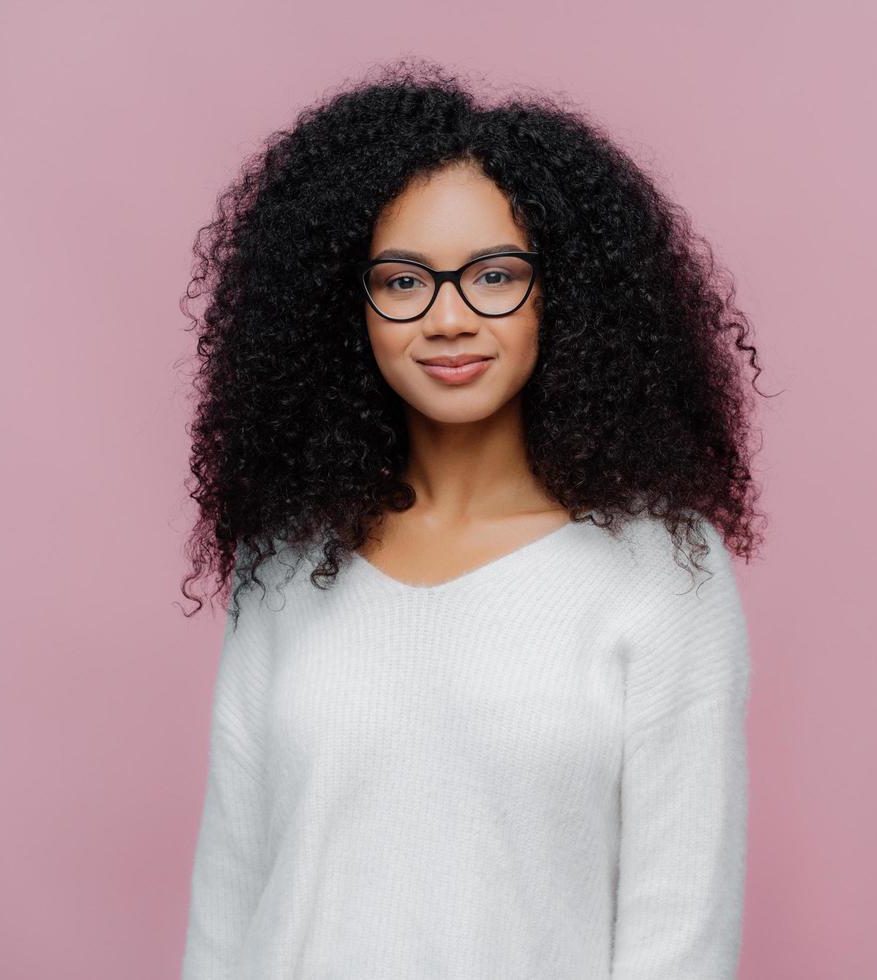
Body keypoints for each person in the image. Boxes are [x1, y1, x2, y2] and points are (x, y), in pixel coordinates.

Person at [177, 58, 772, 979]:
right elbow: (228, 901)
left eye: (494, 276)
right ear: (348, 310)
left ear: (561, 297)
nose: (449, 319)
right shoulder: (289, 562)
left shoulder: (662, 575)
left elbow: (680, 937)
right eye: (404, 281)